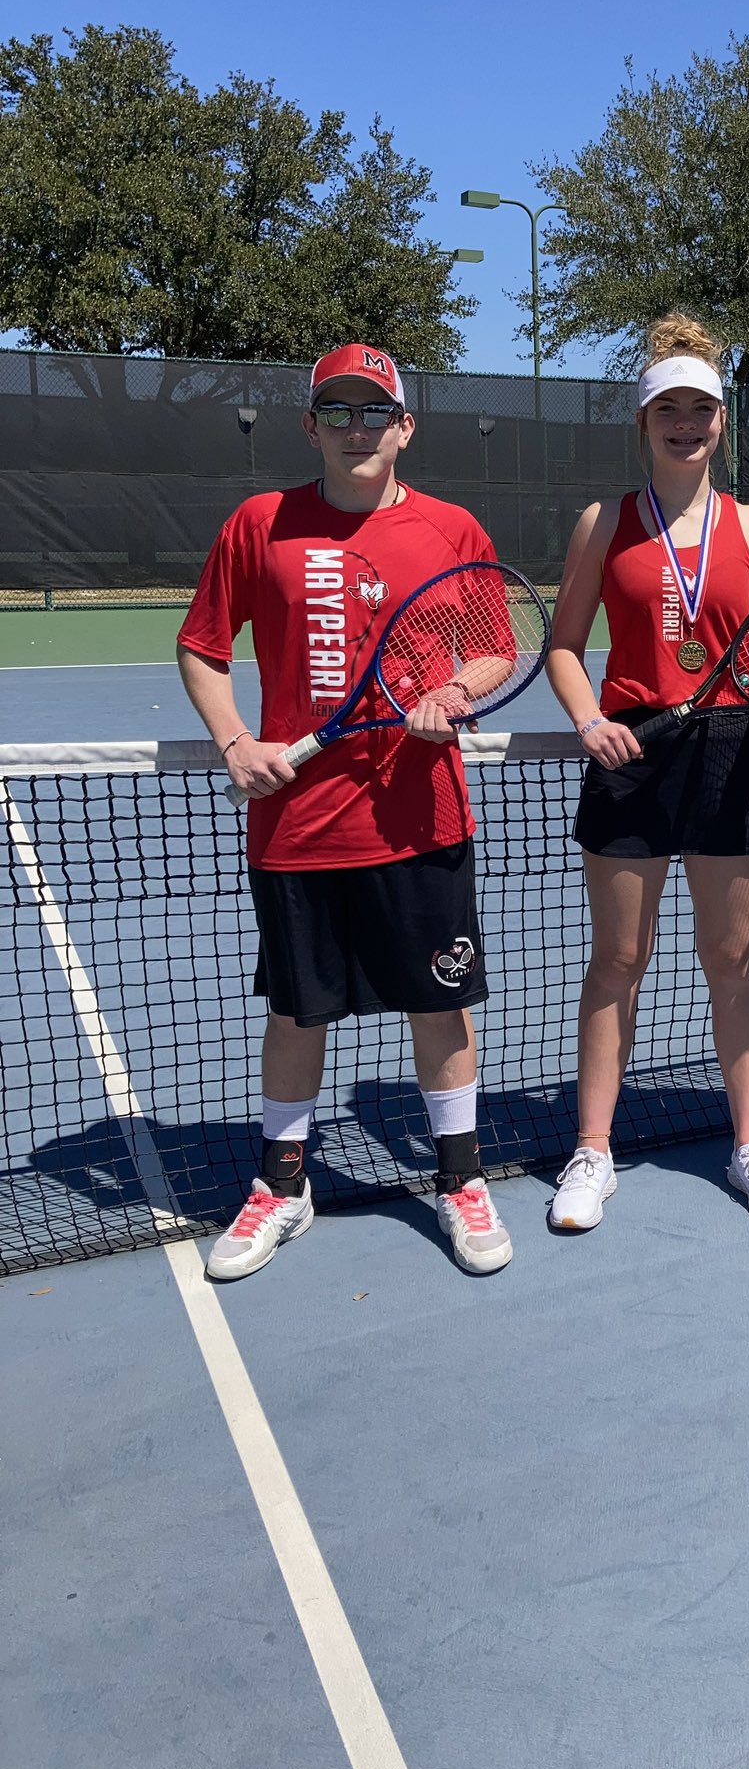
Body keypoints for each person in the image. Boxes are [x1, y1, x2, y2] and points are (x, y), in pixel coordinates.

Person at [178, 343, 513, 1280]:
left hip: (422, 821)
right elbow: (202, 646)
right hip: (297, 829)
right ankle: (283, 1185)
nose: (356, 428)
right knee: (297, 1014)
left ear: (405, 427)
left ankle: (461, 1179)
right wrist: (235, 741)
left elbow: (495, 646)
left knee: (439, 1008)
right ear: (311, 426)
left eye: (374, 412)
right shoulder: (260, 524)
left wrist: (454, 691)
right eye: (338, 411)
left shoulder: (452, 528)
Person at [544, 314, 749, 1231]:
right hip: (629, 751)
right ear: (643, 421)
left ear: (720, 421)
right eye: (668, 409)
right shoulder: (603, 523)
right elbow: (562, 646)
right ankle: (593, 1151)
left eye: (701, 409)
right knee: (618, 959)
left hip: (729, 751)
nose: (686, 424)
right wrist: (589, 721)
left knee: (732, 959)